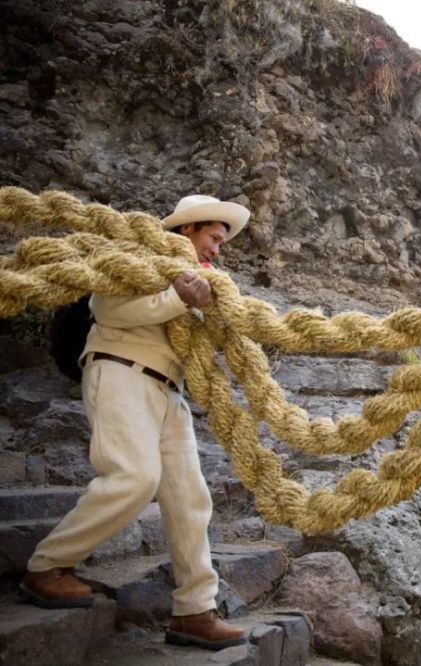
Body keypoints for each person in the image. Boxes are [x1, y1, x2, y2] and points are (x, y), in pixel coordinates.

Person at [19, 194, 252, 651]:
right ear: (188, 230)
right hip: (120, 370)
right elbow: (109, 311)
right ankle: (47, 566)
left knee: (191, 499)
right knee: (133, 477)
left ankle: (195, 611)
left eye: (221, 243)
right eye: (213, 238)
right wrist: (176, 298)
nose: (217, 250)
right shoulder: (137, 258)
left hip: (170, 391)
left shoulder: (202, 282)